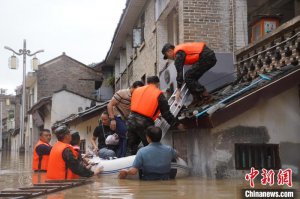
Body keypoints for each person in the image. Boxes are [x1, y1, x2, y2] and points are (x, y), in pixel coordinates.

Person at [127, 76, 183, 155]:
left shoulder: (137, 90)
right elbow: (166, 114)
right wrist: (177, 124)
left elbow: (142, 105)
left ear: (148, 82)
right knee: (151, 149)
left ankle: (130, 165)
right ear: (157, 83)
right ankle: (151, 166)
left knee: (131, 148)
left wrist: (155, 114)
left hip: (130, 120)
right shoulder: (158, 93)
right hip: (144, 123)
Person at [161, 42, 217, 106]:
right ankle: (197, 98)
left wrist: (178, 90)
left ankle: (206, 96)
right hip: (207, 56)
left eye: (167, 56)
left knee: (188, 76)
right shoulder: (180, 50)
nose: (169, 58)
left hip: (206, 57)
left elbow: (179, 73)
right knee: (190, 76)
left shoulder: (178, 54)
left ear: (170, 51)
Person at [107, 81, 144, 158]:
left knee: (130, 137)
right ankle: (122, 157)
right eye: (138, 89)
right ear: (133, 87)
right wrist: (112, 119)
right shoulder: (122, 93)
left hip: (128, 120)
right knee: (125, 134)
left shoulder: (137, 96)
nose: (139, 92)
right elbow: (110, 105)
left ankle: (121, 156)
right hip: (117, 117)